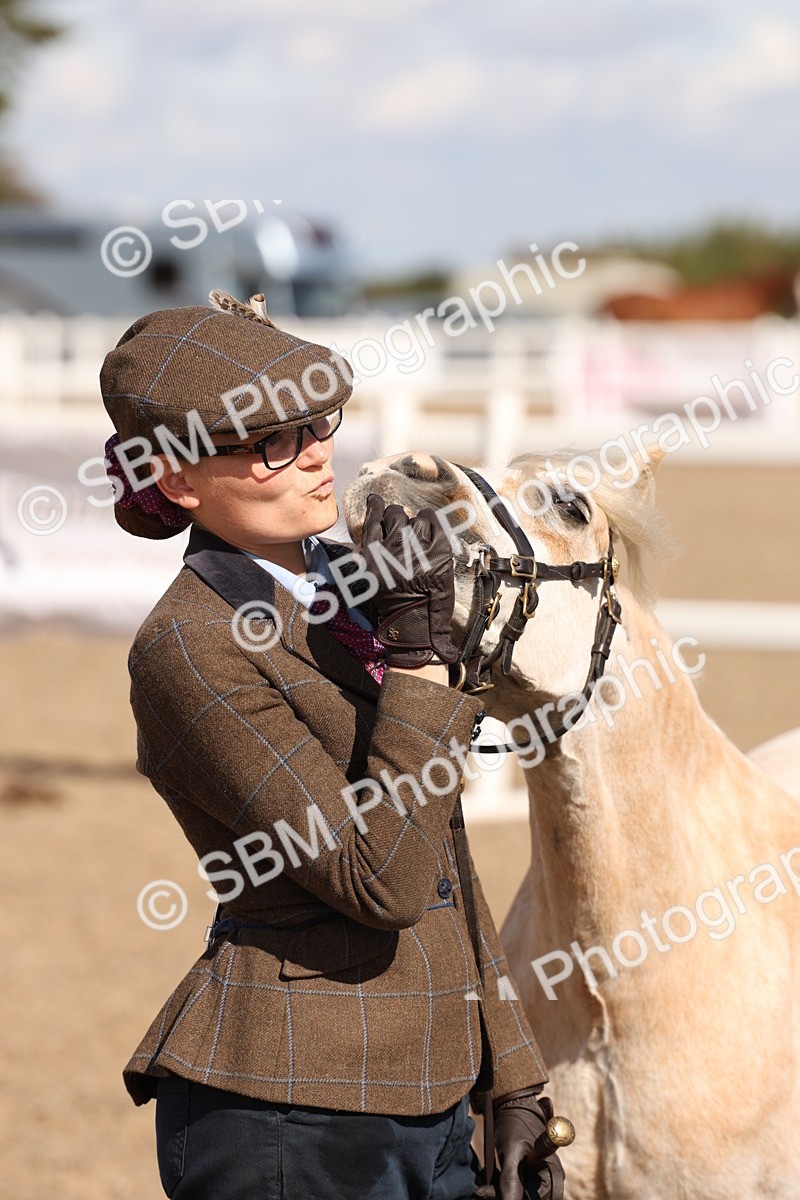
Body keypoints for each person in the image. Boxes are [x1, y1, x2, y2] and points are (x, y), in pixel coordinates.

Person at [102, 290, 566, 1200]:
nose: (316, 451)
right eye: (272, 440)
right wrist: (425, 669)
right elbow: (381, 879)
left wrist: (513, 1074)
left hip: (433, 1095)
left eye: (316, 421)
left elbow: (444, 854)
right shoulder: (188, 648)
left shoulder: (348, 583)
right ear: (178, 479)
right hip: (287, 1113)